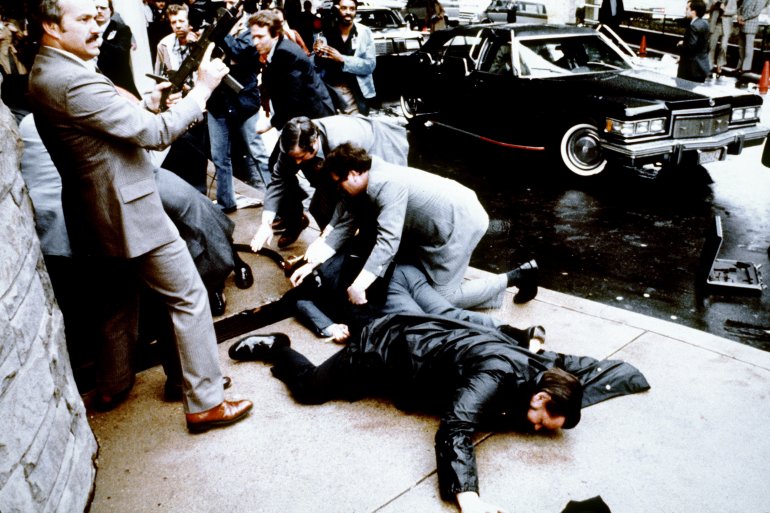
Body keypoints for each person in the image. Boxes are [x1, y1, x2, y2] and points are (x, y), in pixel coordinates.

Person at [28, 0, 252, 432]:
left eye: (97, 18)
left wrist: (149, 100)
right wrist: (202, 89)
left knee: (116, 300)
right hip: (129, 209)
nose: (96, 27)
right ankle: (205, 401)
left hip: (95, 209)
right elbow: (154, 134)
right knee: (188, 295)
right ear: (50, 26)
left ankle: (113, 384)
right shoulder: (70, 79)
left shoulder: (49, 70)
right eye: (83, 20)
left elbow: (109, 125)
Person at [227, 313, 649, 513]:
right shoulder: (497, 375)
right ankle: (277, 347)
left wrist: (625, 377)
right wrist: (470, 499)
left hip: (420, 353)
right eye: (541, 423)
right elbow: (456, 427)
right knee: (310, 390)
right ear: (540, 399)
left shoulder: (542, 370)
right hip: (386, 349)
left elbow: (579, 365)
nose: (534, 429)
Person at [295, 143, 539, 311]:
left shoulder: (386, 184)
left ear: (353, 173)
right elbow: (344, 227)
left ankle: (517, 276)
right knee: (419, 284)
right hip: (436, 224)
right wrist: (313, 264)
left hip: (458, 224)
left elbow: (388, 242)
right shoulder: (364, 182)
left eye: (339, 184)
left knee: (442, 300)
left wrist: (358, 285)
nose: (339, 192)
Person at [249, 114, 408, 250]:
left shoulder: (342, 145)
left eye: (301, 157)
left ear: (313, 143)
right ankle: (338, 251)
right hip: (337, 166)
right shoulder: (292, 144)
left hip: (380, 148)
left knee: (372, 212)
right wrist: (266, 223)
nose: (297, 163)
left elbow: (348, 199)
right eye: (293, 158)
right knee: (318, 208)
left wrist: (331, 233)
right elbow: (279, 180)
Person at [206, 0, 271, 212]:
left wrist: (217, 34)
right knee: (219, 156)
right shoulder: (217, 25)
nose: (229, 3)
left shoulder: (251, 27)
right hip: (218, 102)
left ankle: (278, 203)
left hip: (243, 102)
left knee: (258, 154)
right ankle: (226, 202)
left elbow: (240, 52)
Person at [249, 8, 334, 134]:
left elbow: (293, 98)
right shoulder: (279, 48)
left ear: (275, 35)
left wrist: (269, 124)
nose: (255, 42)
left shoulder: (285, 53)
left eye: (260, 37)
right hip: (302, 119)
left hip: (313, 120)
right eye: (253, 37)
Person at [154, 2, 210, 193]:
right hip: (179, 106)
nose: (177, 25)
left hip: (202, 105)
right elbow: (159, 76)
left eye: (181, 21)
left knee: (202, 154)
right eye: (173, 22)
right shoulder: (164, 45)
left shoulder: (202, 42)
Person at [313, 0, 376, 115]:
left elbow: (370, 66)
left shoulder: (364, 32)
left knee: (357, 128)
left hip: (355, 94)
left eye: (352, 9)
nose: (348, 12)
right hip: (329, 92)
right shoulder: (327, 32)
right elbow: (317, 65)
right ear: (337, 9)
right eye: (344, 8)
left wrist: (343, 59)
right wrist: (317, 55)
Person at [95, 0, 141, 98]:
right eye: (96, 8)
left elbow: (122, 53)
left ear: (110, 10)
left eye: (103, 8)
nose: (99, 11)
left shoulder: (121, 29)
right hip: (98, 82)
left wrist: (102, 43)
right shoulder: (89, 29)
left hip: (119, 80)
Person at [735, 0, 769, 86]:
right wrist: (739, 16)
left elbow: (756, 12)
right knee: (741, 48)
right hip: (742, 23)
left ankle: (746, 69)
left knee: (748, 49)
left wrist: (743, 17)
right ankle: (740, 67)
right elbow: (740, 7)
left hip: (751, 24)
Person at [677, 0, 710, 83]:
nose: (685, 11)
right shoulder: (705, 23)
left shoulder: (693, 26)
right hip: (702, 66)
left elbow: (691, 47)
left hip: (690, 69)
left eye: (687, 9)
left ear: (693, 12)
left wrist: (681, 45)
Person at [707, 0, 737, 76]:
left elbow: (734, 11)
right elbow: (707, 8)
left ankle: (719, 65)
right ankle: (709, 67)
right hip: (715, 24)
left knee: (723, 46)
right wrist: (713, 5)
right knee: (711, 46)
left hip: (726, 25)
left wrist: (724, 9)